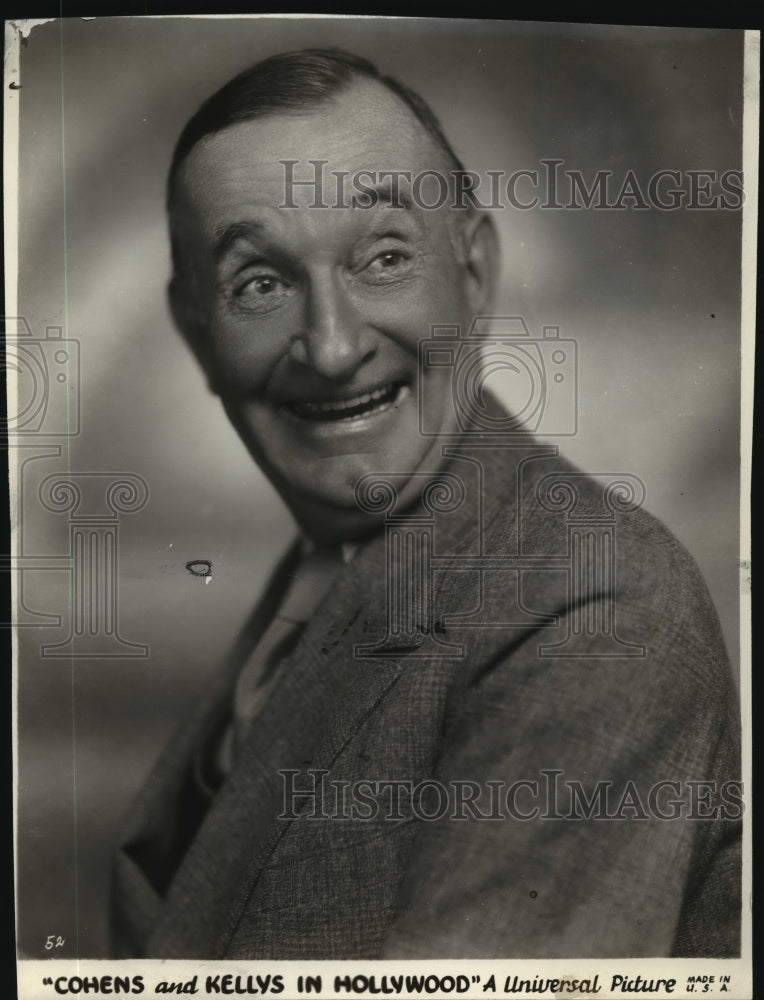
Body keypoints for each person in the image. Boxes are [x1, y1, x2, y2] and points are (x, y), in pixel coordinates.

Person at [111, 48, 741, 960]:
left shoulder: (595, 612)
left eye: (383, 256)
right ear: (195, 330)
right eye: (261, 283)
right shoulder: (337, 566)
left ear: (475, 275)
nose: (330, 348)